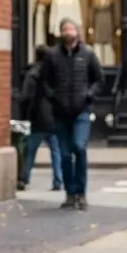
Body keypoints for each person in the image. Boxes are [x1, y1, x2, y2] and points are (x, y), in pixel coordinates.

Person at [41, 19, 102, 211]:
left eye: (71, 28)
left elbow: (99, 79)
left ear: (77, 31)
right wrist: (53, 97)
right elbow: (44, 81)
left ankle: (81, 193)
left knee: (79, 147)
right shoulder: (52, 56)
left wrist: (89, 95)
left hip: (81, 110)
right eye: (65, 29)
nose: (68, 32)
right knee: (65, 155)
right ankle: (70, 193)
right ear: (60, 33)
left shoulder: (88, 54)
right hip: (60, 112)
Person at [19, 45, 63, 192]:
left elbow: (26, 96)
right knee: (56, 151)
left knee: (30, 151)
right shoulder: (54, 74)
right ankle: (58, 180)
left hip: (37, 116)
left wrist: (24, 112)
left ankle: (25, 179)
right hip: (53, 115)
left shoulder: (32, 74)